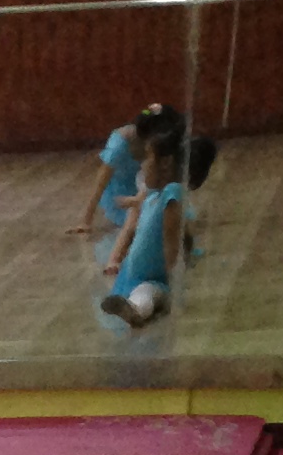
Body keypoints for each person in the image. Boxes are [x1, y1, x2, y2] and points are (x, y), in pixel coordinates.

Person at [100, 123, 192, 329]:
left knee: (147, 293)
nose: (142, 165)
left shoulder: (171, 194)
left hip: (156, 280)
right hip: (133, 275)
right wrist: (116, 259)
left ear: (166, 163)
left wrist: (175, 285)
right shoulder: (150, 197)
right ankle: (129, 305)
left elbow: (171, 242)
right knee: (138, 291)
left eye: (148, 158)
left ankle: (136, 311)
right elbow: (132, 230)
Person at [71, 102, 174, 238]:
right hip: (122, 191)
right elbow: (100, 182)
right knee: (145, 221)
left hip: (146, 183)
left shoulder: (154, 139)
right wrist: (86, 220)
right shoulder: (118, 148)